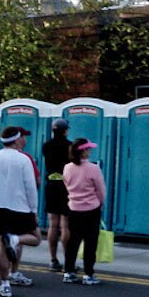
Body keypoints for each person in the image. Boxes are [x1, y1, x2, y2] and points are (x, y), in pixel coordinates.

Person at [0, 126, 43, 297]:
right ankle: (15, 239)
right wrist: (34, 210)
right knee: (36, 238)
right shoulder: (23, 160)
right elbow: (31, 187)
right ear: (16, 139)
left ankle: (4, 284)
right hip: (21, 207)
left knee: (1, 247)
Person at [62, 139, 106, 285]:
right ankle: (88, 274)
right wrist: (100, 204)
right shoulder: (93, 168)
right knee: (90, 243)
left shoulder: (67, 168)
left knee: (73, 242)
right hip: (91, 210)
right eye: (88, 149)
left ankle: (68, 272)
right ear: (83, 151)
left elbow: (66, 184)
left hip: (74, 209)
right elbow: (101, 190)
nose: (90, 151)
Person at [43, 119, 72, 272]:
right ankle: (68, 261)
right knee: (65, 224)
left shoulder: (46, 145)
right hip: (66, 185)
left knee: (53, 224)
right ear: (65, 131)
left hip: (51, 185)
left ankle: (53, 260)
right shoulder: (69, 146)